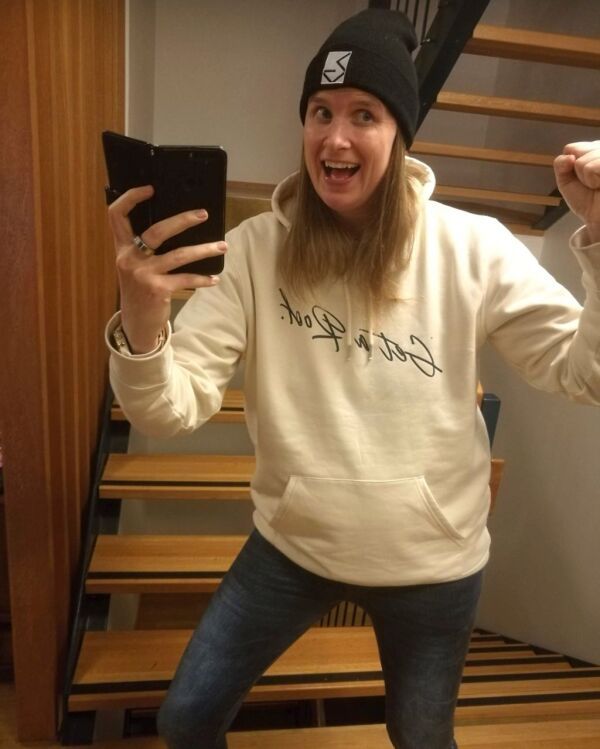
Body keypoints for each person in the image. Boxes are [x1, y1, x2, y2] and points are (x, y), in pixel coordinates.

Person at [105, 9, 600, 749]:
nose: (335, 138)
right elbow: (167, 412)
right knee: (185, 719)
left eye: (364, 114)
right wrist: (143, 315)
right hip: (291, 548)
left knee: (420, 735)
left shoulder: (475, 247)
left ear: (400, 134)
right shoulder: (253, 250)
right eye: (320, 112)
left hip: (434, 564)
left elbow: (584, 375)